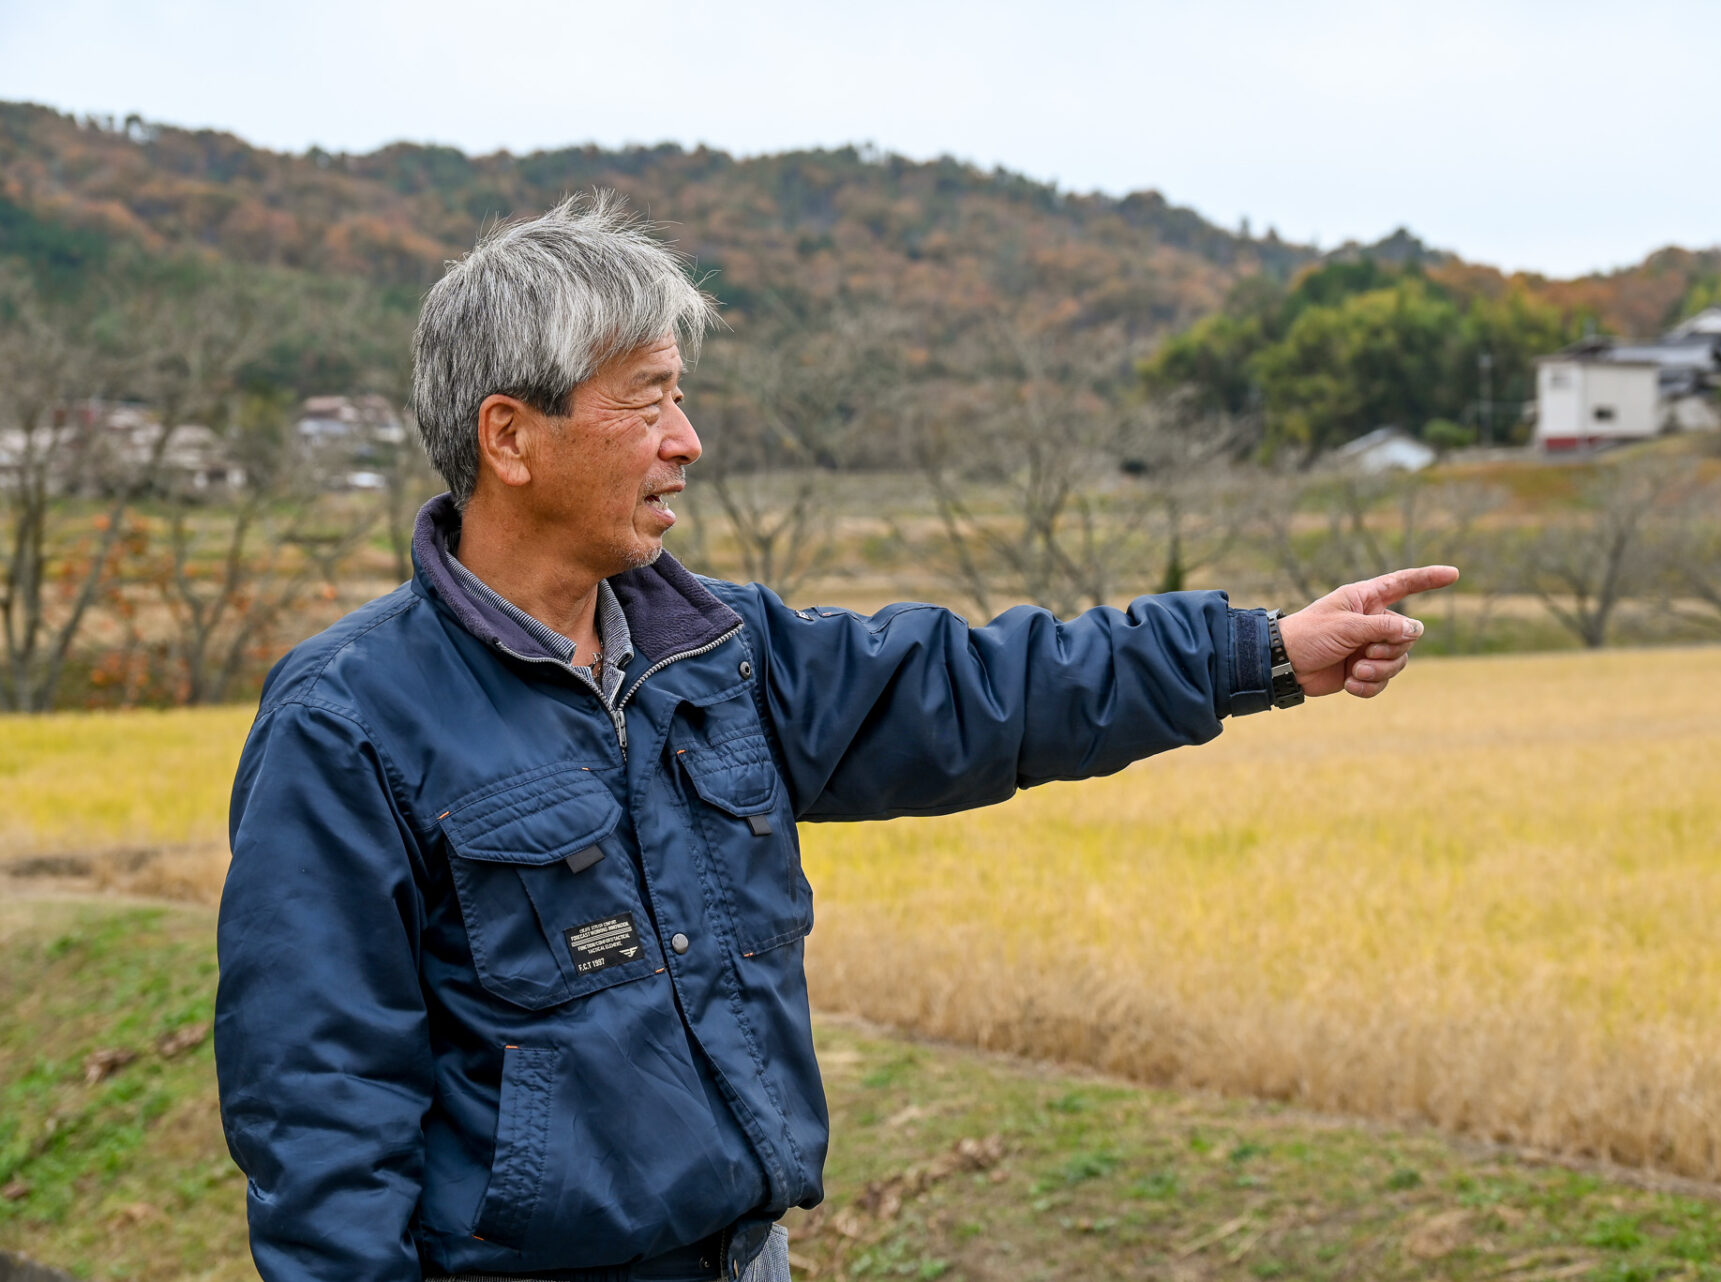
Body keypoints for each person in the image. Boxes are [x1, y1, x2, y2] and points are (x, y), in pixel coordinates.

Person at [214, 193, 1457, 1282]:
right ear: (510, 438)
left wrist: (1259, 654)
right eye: (647, 402)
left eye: (681, 398)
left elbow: (987, 689)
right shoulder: (350, 719)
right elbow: (320, 1107)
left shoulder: (720, 651)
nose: (685, 441)